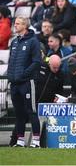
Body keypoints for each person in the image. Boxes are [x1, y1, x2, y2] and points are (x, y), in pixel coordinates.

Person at [7, 17, 41, 147]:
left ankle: (36, 141)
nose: (15, 25)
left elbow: (37, 62)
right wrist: (11, 76)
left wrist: (23, 74)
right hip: (14, 83)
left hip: (27, 82)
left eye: (18, 23)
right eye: (15, 23)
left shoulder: (33, 42)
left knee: (31, 111)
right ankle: (20, 141)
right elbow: (11, 61)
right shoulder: (14, 42)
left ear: (25, 25)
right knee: (19, 113)